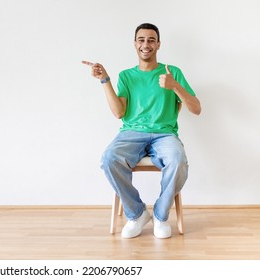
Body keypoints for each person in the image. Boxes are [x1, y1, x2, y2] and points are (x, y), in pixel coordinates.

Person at [82, 23, 201, 239]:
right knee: (109, 158)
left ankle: (160, 215)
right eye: (141, 39)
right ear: (135, 44)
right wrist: (104, 80)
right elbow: (119, 113)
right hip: (131, 133)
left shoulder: (172, 72)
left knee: (178, 160)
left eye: (151, 40)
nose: (146, 44)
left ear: (158, 45)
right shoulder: (127, 76)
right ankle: (137, 214)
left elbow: (196, 109)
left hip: (165, 134)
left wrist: (175, 86)